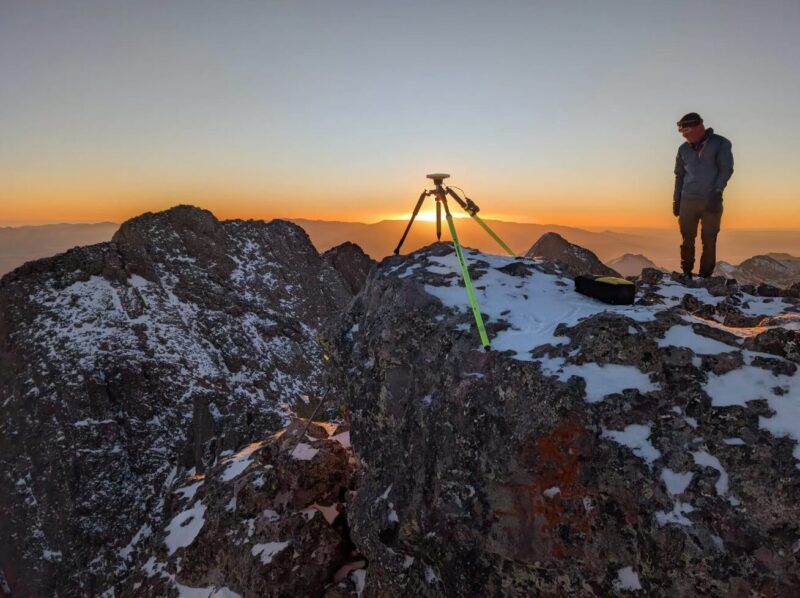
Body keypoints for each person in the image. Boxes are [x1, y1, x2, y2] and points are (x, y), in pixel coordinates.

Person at [673, 112, 734, 278]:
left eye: (686, 131)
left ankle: (705, 276)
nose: (684, 135)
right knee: (687, 239)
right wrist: (676, 199)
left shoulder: (720, 143)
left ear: (698, 127)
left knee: (709, 239)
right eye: (682, 132)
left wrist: (717, 191)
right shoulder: (683, 149)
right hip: (688, 200)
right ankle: (686, 272)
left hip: (711, 199)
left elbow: (726, 169)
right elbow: (679, 175)